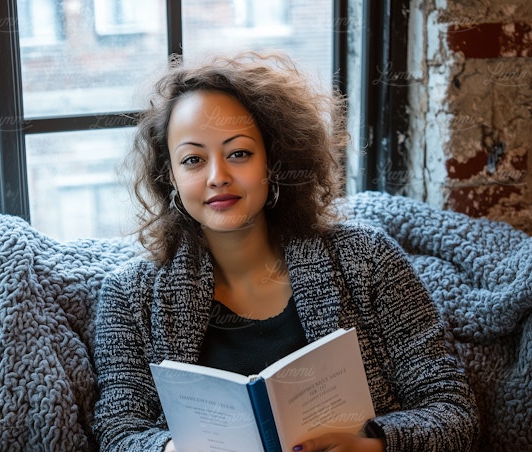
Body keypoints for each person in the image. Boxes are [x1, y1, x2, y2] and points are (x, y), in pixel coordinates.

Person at [92, 51, 479, 452]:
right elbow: (120, 433)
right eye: (193, 159)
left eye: (239, 153)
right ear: (169, 175)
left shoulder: (367, 258)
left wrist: (370, 447)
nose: (217, 177)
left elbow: (453, 411)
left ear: (274, 160)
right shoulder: (129, 295)